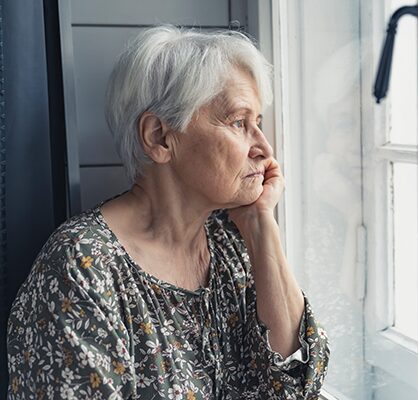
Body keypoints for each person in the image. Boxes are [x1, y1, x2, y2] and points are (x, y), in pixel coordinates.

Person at [6, 25, 329, 399]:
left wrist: (261, 223)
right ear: (159, 137)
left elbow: (299, 383)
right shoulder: (81, 268)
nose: (264, 148)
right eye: (239, 123)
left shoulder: (230, 243)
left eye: (258, 123)